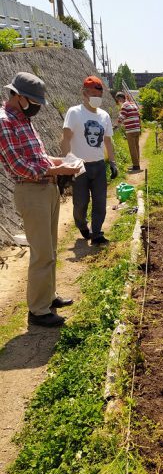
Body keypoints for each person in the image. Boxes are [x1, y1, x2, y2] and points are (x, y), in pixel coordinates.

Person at [0, 72, 81, 327]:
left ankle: (48, 296)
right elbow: (19, 166)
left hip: (46, 188)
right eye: (33, 101)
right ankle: (37, 310)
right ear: (19, 97)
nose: (35, 107)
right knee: (41, 253)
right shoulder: (4, 122)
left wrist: (62, 162)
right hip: (31, 190)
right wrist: (59, 170)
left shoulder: (23, 119)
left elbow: (39, 158)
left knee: (51, 248)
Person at [61, 75, 118, 245]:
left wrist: (113, 162)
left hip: (99, 165)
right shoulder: (74, 113)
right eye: (93, 95)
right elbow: (65, 139)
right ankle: (82, 225)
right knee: (80, 203)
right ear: (84, 93)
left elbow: (108, 141)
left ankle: (97, 233)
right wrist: (67, 163)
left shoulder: (104, 116)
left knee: (100, 201)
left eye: (99, 96)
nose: (96, 99)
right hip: (79, 167)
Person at [115, 91, 141, 172]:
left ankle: (136, 166)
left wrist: (116, 125)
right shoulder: (133, 104)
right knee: (136, 147)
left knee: (132, 148)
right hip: (137, 128)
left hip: (131, 130)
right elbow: (139, 115)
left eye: (118, 100)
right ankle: (137, 163)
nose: (118, 102)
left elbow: (121, 118)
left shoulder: (124, 105)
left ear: (120, 99)